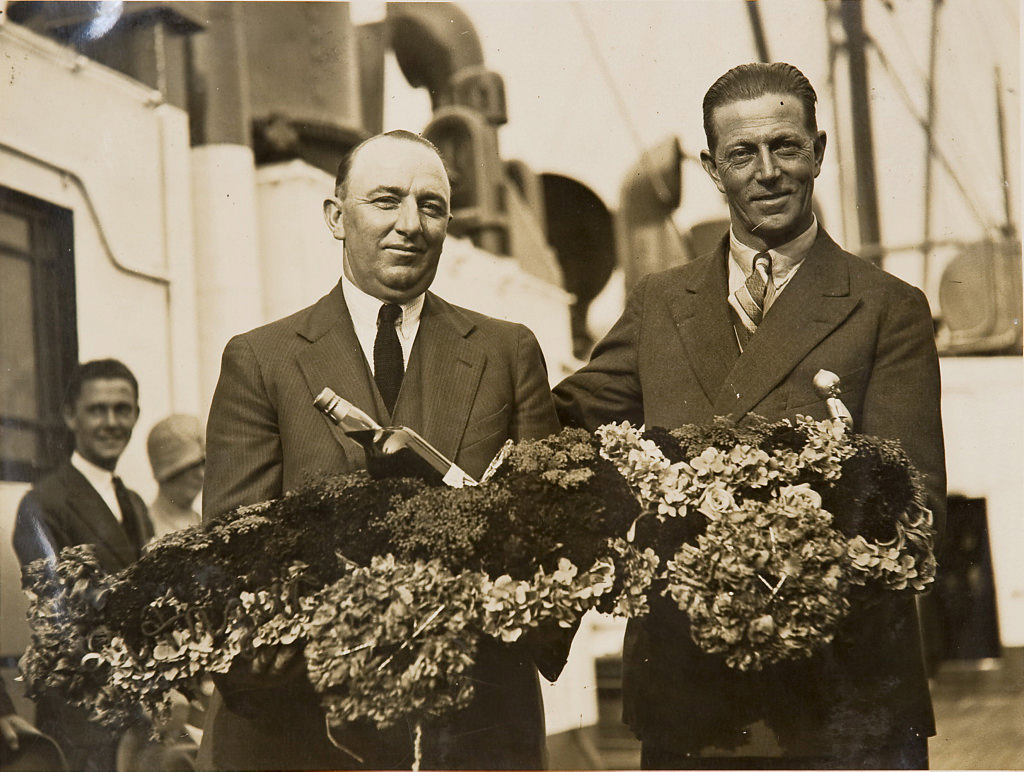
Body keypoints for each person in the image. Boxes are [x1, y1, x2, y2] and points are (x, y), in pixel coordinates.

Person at [553, 62, 946, 770]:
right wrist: (483, 366)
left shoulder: (887, 306)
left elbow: (914, 501)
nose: (768, 172)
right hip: (690, 697)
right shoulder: (657, 302)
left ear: (818, 151)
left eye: (786, 147)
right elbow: (562, 425)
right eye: (743, 153)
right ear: (712, 168)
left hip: (844, 702)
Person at [200, 129, 562, 771]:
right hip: (307, 734)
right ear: (337, 218)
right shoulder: (262, 360)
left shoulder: (510, 352)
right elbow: (234, 551)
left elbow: (548, 543)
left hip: (472, 732)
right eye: (385, 200)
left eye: (431, 205)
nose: (410, 225)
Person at [12, 358, 153, 772]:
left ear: (136, 415)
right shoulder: (43, 503)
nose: (111, 422)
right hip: (82, 715)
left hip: (137, 709)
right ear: (70, 416)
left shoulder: (135, 503)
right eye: (97, 409)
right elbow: (57, 617)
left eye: (122, 409)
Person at [145, 414, 206, 541]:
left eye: (204, 464)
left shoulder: (206, 521)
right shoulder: (145, 527)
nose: (201, 474)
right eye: (191, 466)